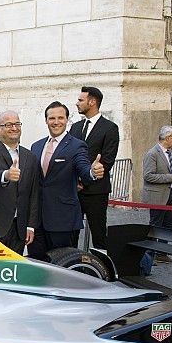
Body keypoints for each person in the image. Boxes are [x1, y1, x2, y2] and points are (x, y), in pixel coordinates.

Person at [29, 102, 103, 258]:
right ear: (46, 120)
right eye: (52, 118)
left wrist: (92, 172)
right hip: (37, 221)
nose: (56, 122)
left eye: (61, 118)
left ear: (67, 119)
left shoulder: (77, 146)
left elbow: (83, 167)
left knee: (63, 267)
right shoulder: (36, 146)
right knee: (37, 265)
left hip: (63, 220)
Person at [0, 111, 40, 254]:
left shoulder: (30, 156)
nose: (14, 128)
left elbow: (34, 194)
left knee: (13, 271)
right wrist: (6, 175)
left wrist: (30, 226)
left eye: (17, 124)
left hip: (19, 229)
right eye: (8, 124)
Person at [69, 86, 119, 250]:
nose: (77, 103)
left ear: (92, 102)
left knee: (99, 235)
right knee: (71, 232)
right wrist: (74, 181)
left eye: (80, 100)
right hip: (74, 191)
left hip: (96, 191)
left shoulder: (110, 128)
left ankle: (101, 271)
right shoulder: (75, 127)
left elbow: (107, 160)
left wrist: (85, 178)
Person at [141, 126, 172, 264]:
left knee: (168, 225)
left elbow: (167, 169)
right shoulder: (152, 153)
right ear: (167, 138)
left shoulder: (170, 153)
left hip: (170, 194)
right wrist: (171, 177)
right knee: (155, 226)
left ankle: (162, 253)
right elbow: (148, 176)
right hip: (158, 196)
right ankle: (148, 255)